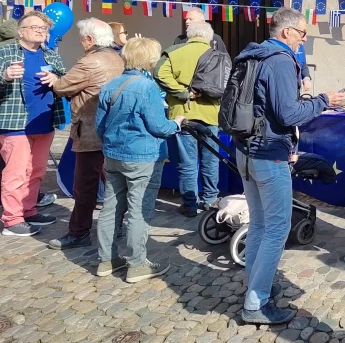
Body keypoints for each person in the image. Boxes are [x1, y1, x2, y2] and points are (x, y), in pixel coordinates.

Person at [233, 8, 344, 325]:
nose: (305, 38)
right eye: (302, 33)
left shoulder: (252, 54)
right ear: (286, 33)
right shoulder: (280, 61)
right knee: (277, 229)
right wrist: (323, 100)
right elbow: (289, 114)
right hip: (268, 153)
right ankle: (256, 303)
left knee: (259, 225)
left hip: (246, 149)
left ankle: (257, 286)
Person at [96, 38, 183, 282]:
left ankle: (106, 260)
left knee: (110, 208)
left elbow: (100, 126)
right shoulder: (147, 87)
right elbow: (159, 126)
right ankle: (136, 265)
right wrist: (175, 124)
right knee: (138, 210)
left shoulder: (111, 84)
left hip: (113, 154)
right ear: (150, 60)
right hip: (142, 157)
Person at [44, 19, 124, 250]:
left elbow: (62, 87)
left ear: (90, 39)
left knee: (85, 185)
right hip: (113, 129)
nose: (80, 43)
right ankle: (115, 226)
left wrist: (53, 80)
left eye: (81, 39)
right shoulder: (117, 57)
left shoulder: (89, 62)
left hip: (90, 130)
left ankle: (79, 232)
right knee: (113, 182)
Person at [0, 12, 66, 236]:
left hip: (44, 123)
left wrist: (57, 81)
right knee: (15, 174)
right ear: (20, 31)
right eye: (35, 27)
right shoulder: (5, 52)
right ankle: (12, 219)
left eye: (44, 28)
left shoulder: (51, 55)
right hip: (14, 123)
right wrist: (4, 76)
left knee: (35, 171)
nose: (40, 31)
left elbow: (65, 82)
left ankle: (28, 210)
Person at [155, 21, 222, 217]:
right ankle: (211, 199)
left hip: (183, 114)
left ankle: (190, 204)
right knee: (211, 160)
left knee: (187, 162)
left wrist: (183, 92)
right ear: (209, 37)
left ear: (189, 34)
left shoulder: (174, 52)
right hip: (211, 114)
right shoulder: (218, 55)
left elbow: (159, 73)